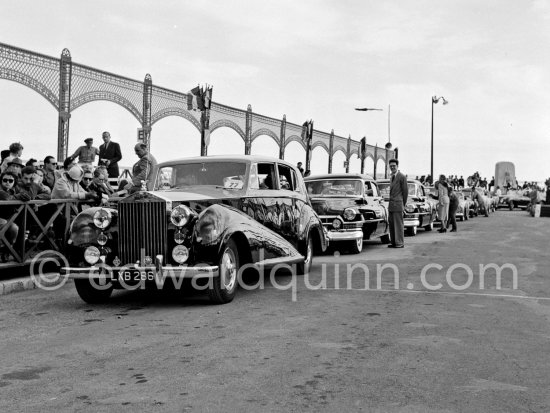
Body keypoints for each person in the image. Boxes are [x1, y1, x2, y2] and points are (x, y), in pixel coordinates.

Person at [387, 158, 408, 248]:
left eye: (394, 166)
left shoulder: (402, 177)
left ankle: (399, 243)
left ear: (397, 166)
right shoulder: (392, 177)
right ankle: (394, 242)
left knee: (398, 225)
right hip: (391, 205)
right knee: (392, 225)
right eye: (391, 166)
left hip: (398, 204)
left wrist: (403, 205)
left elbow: (405, 192)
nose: (392, 167)